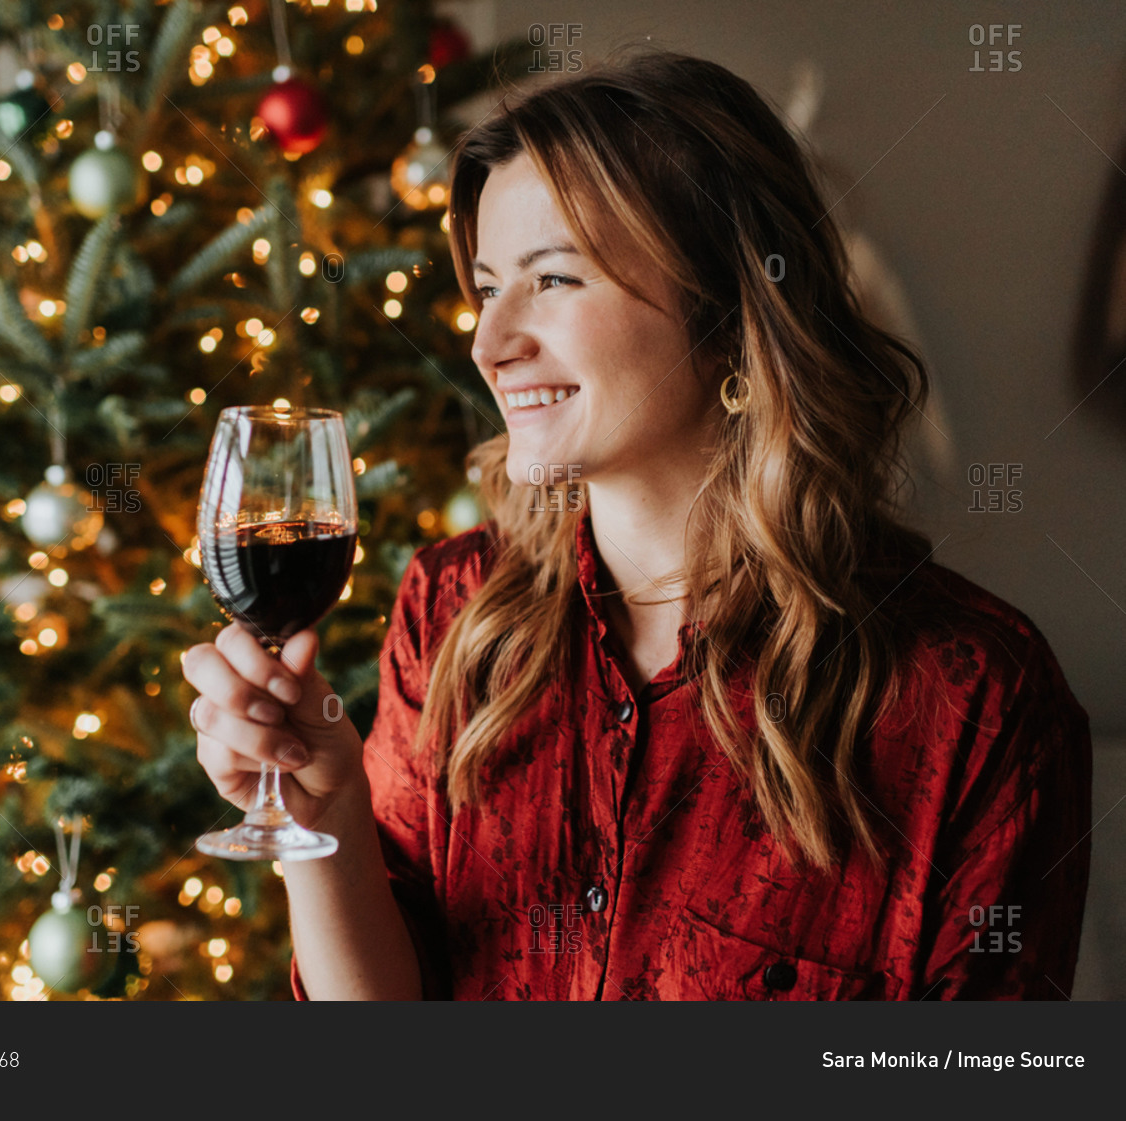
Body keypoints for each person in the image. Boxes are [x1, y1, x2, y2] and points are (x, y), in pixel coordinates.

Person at [181, 49, 1093, 1000]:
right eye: (489, 287)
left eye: (556, 280)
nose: (490, 344)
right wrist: (322, 821)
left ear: (732, 309)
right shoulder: (452, 609)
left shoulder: (975, 701)